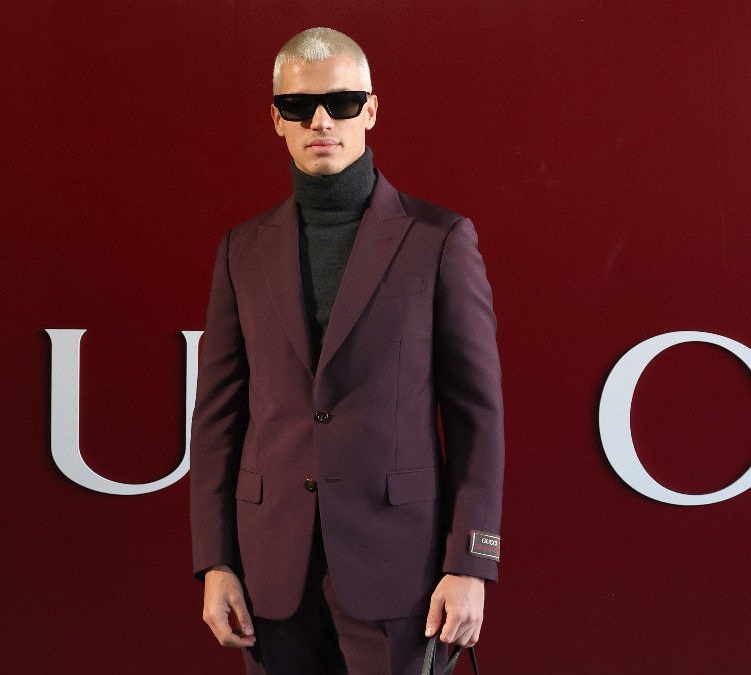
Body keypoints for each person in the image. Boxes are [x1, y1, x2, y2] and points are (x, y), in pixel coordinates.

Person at [189, 26, 504, 675]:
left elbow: (478, 416)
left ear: (371, 109)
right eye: (301, 107)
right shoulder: (240, 250)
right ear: (277, 118)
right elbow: (218, 421)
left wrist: (471, 561)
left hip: (403, 572)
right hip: (271, 572)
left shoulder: (439, 240)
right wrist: (215, 559)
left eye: (341, 100)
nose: (322, 120)